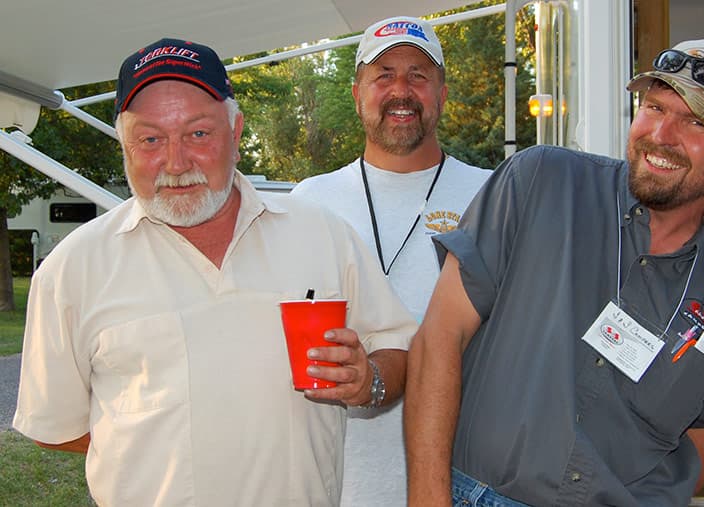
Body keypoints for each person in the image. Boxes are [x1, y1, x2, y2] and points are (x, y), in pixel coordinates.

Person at [13, 37, 417, 507]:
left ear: (236, 132)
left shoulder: (322, 234)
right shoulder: (73, 268)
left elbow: (399, 346)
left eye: (198, 133)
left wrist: (369, 380)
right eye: (150, 139)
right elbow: (55, 429)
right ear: (124, 145)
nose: (176, 161)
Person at [405, 39, 704, 507]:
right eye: (654, 106)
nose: (662, 134)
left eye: (696, 122)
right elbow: (439, 337)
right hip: (469, 493)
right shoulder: (540, 181)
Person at [291, 15, 491, 505]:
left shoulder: (492, 193)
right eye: (383, 75)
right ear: (358, 92)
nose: (401, 90)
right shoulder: (307, 200)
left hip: (463, 477)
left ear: (442, 94)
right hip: (339, 479)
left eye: (418, 76)